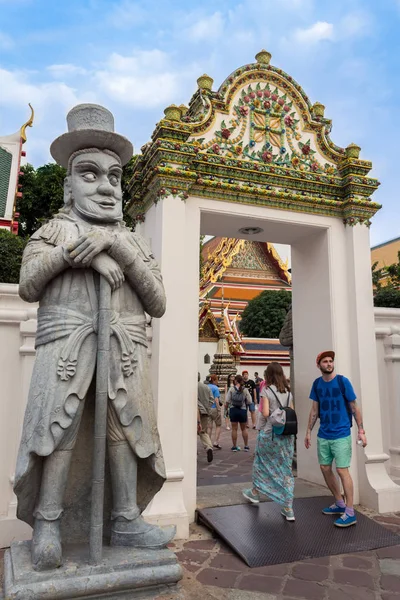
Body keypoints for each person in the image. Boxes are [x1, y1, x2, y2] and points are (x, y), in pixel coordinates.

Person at [14, 104, 174, 571]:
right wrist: (76, 254)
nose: (105, 186)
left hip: (124, 347)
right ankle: (48, 523)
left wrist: (117, 246)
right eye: (89, 173)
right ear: (67, 185)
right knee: (58, 430)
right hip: (67, 344)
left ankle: (124, 517)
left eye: (115, 176)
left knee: (126, 428)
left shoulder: (135, 241)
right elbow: (28, 285)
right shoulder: (54, 229)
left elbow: (159, 301)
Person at [305, 350, 367, 528]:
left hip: (341, 433)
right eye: (324, 361)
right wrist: (308, 431)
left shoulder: (342, 382)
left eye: (330, 360)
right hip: (324, 434)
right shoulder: (317, 384)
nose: (328, 363)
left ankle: (349, 512)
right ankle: (339, 502)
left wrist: (361, 430)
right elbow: (314, 410)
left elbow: (354, 407)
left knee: (342, 471)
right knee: (325, 468)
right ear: (319, 365)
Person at [242, 363, 296, 521]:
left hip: (269, 433)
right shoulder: (288, 391)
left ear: (268, 375)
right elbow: (291, 411)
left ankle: (255, 492)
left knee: (261, 462)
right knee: (285, 468)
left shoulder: (266, 390)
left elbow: (265, 413)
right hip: (287, 436)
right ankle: (288, 507)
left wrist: (274, 415)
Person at [225, 375, 252, 451]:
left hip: (233, 410)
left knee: (234, 429)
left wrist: (226, 409)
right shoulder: (245, 390)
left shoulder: (231, 389)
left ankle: (234, 446)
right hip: (242, 410)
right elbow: (249, 401)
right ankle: (246, 446)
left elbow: (227, 401)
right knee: (243, 429)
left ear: (236, 381)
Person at [197, 373, 214, 463]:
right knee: (203, 432)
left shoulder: (191, 386)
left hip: (194, 412)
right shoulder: (206, 387)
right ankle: (208, 447)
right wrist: (206, 407)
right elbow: (212, 399)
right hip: (205, 412)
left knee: (190, 434)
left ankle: (193, 453)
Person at [207, 374, 222, 449]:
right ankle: (216, 441)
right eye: (216, 380)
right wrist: (219, 409)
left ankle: (208, 442)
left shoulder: (206, 387)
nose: (217, 381)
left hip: (208, 408)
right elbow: (216, 400)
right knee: (218, 425)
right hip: (214, 408)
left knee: (209, 427)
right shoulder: (215, 388)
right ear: (213, 380)